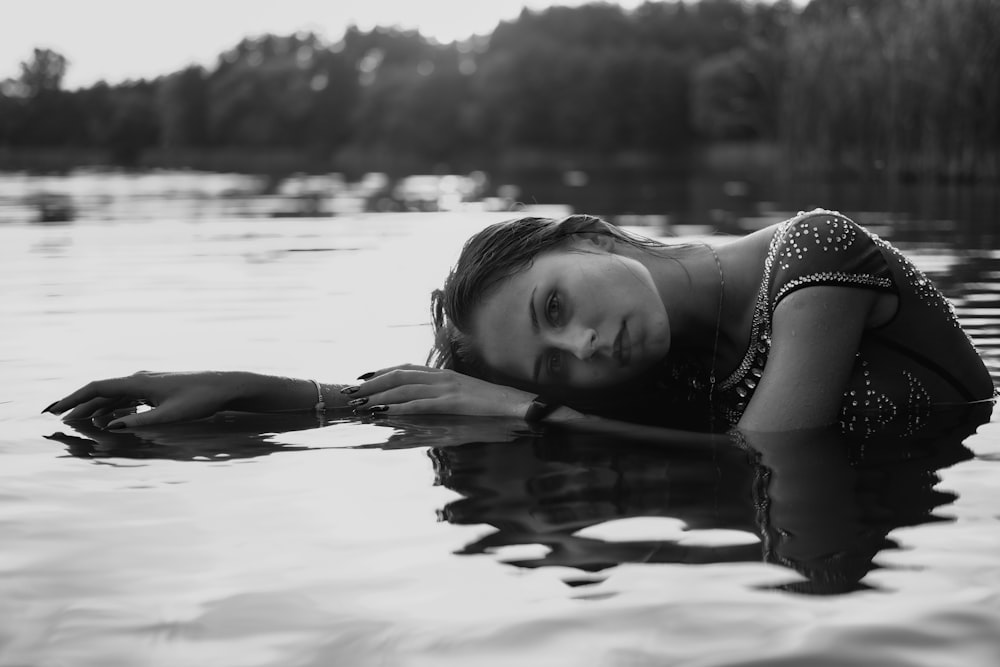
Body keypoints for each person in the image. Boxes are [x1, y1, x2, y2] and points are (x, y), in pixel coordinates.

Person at [42, 209, 995, 436]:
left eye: (556, 304)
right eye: (552, 364)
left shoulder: (815, 257)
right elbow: (422, 404)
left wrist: (536, 414)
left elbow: (772, 457)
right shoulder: (648, 372)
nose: (584, 344)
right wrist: (289, 395)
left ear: (585, 237)